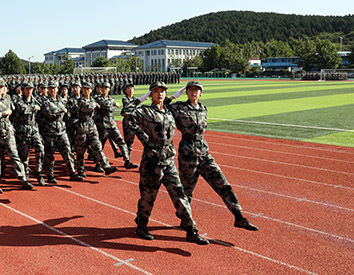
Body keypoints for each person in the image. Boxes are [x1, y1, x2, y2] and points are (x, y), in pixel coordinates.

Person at [166, 81, 258, 231]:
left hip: (203, 151)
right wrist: (175, 96)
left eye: (197, 90)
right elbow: (163, 106)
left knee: (223, 184)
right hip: (188, 153)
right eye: (190, 90)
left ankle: (239, 217)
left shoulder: (203, 109)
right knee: (186, 192)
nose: (194, 92)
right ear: (186, 92)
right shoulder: (179, 107)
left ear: (201, 93)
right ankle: (185, 220)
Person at [125, 82, 209, 245]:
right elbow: (126, 111)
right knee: (148, 197)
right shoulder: (145, 112)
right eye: (156, 92)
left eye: (162, 91)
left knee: (179, 195)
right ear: (151, 94)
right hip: (152, 161)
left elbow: (172, 105)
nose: (160, 94)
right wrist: (141, 99)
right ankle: (141, 225)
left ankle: (191, 230)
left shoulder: (169, 111)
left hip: (168, 160)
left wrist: (175, 96)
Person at [0, 78, 34, 192]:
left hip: (8, 131)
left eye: (1, 87)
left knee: (14, 154)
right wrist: (3, 113)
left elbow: (12, 111)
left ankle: (23, 178)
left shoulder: (7, 98)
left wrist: (3, 114)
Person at [72, 82, 117, 177]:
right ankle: (80, 170)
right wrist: (95, 105)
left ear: (91, 90)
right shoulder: (80, 100)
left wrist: (96, 104)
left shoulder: (93, 99)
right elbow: (86, 107)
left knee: (97, 146)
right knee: (81, 151)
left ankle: (106, 166)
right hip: (82, 126)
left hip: (92, 126)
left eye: (88, 89)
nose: (85, 90)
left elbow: (101, 105)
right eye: (84, 89)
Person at [41, 81, 83, 183]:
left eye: (54, 88)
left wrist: (60, 110)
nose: (52, 90)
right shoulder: (45, 101)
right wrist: (61, 110)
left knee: (67, 151)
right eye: (50, 88)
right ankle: (50, 175)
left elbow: (67, 110)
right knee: (50, 154)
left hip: (61, 129)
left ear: (57, 89)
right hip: (50, 131)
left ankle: (72, 173)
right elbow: (49, 112)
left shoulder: (60, 99)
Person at [94, 82, 138, 169]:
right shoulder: (97, 98)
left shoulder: (111, 99)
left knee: (121, 142)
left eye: (106, 88)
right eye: (103, 88)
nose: (104, 89)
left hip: (112, 125)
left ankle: (127, 160)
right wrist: (114, 104)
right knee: (100, 146)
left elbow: (108, 106)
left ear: (109, 89)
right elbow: (105, 104)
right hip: (102, 126)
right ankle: (98, 164)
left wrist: (112, 104)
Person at [12, 82, 46, 186]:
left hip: (33, 128)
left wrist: (35, 107)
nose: (29, 91)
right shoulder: (19, 101)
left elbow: (41, 107)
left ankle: (38, 171)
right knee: (24, 155)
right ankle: (25, 176)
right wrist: (33, 107)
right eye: (27, 89)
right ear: (23, 90)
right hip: (22, 130)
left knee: (40, 149)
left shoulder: (34, 100)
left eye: (31, 89)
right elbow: (23, 110)